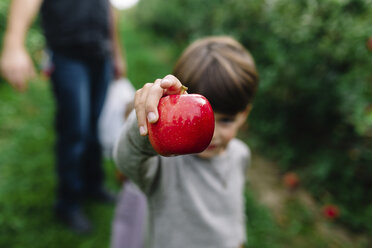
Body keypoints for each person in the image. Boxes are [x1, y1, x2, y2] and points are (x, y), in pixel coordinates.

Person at [113, 36, 259, 248]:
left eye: (226, 120)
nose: (213, 133)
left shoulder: (240, 155)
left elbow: (234, 208)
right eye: (200, 117)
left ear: (244, 114)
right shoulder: (165, 165)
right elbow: (126, 158)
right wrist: (145, 124)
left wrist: (238, 238)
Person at [0, 0, 126, 233]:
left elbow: (108, 9)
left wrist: (116, 53)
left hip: (101, 55)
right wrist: (13, 43)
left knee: (93, 125)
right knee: (74, 129)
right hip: (68, 55)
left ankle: (93, 185)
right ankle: (68, 203)